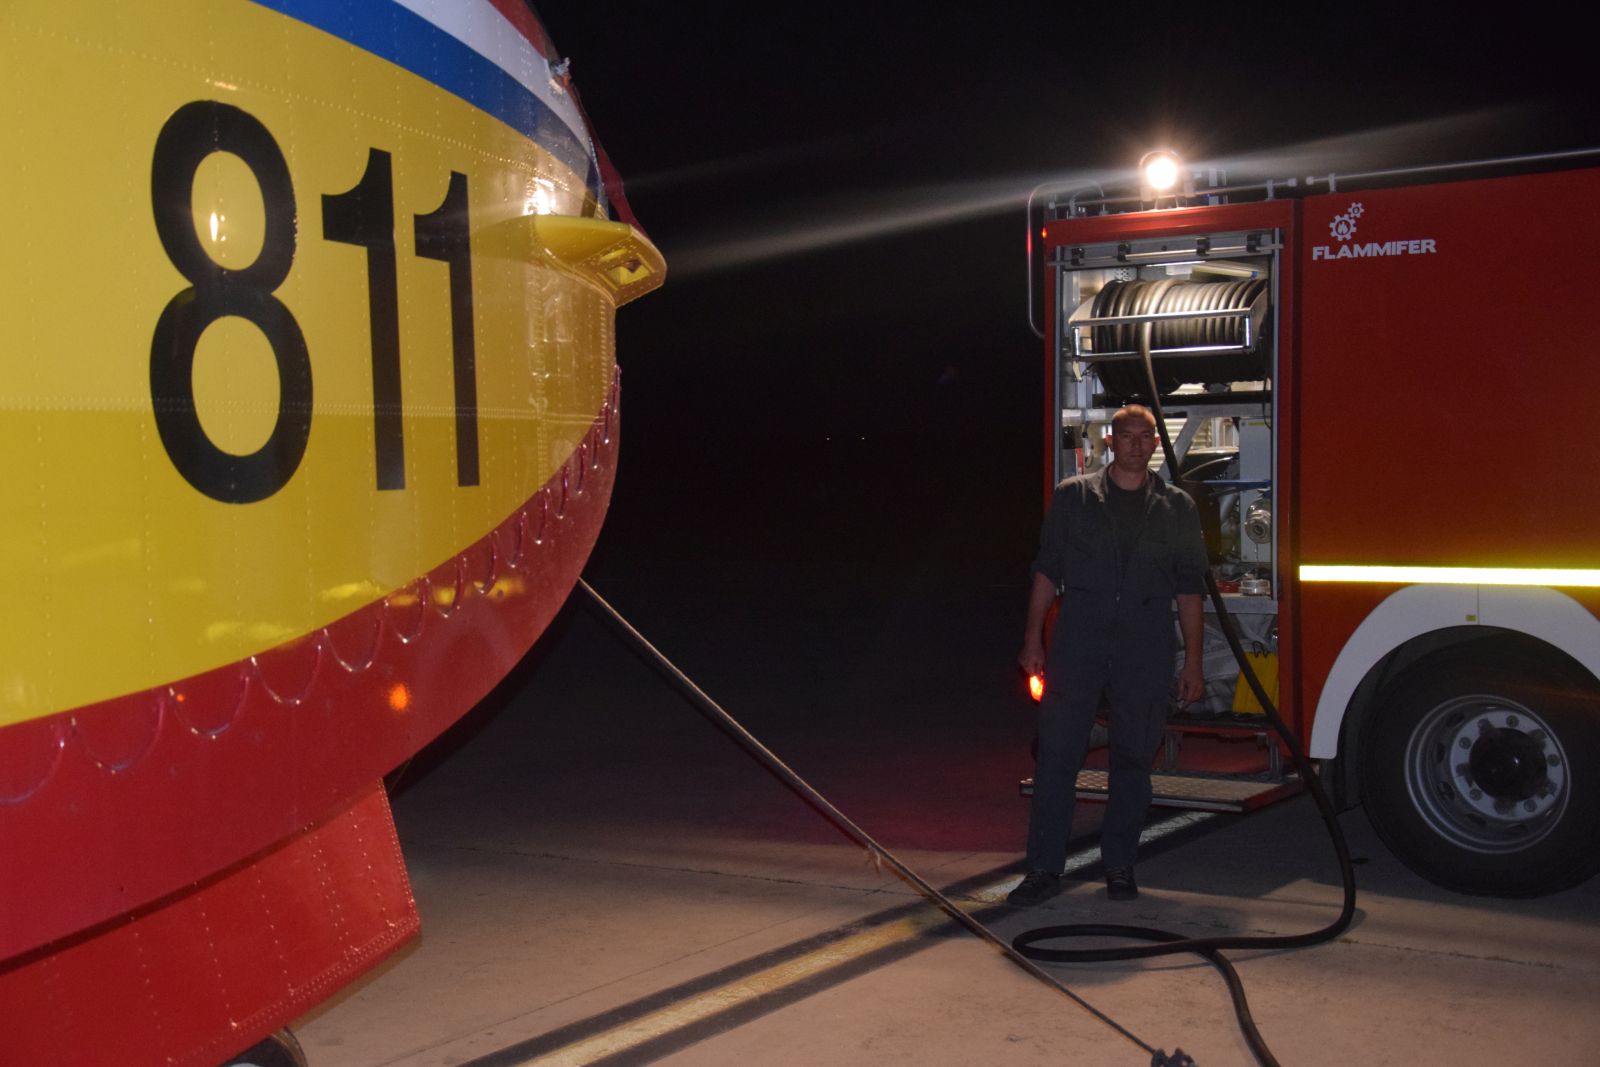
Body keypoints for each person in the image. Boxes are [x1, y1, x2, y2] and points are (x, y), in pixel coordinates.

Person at [1009, 404, 1207, 906]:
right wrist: (1033, 640)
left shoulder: (1177, 507)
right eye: (1128, 436)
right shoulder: (1074, 498)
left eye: (1146, 436)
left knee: (1133, 760)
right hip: (1079, 641)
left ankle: (1119, 865)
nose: (1137, 444)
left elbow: (1189, 590)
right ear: (1110, 442)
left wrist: (1195, 662)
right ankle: (1042, 870)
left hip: (1145, 646)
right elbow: (1046, 572)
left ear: (1156, 445)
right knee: (1058, 756)